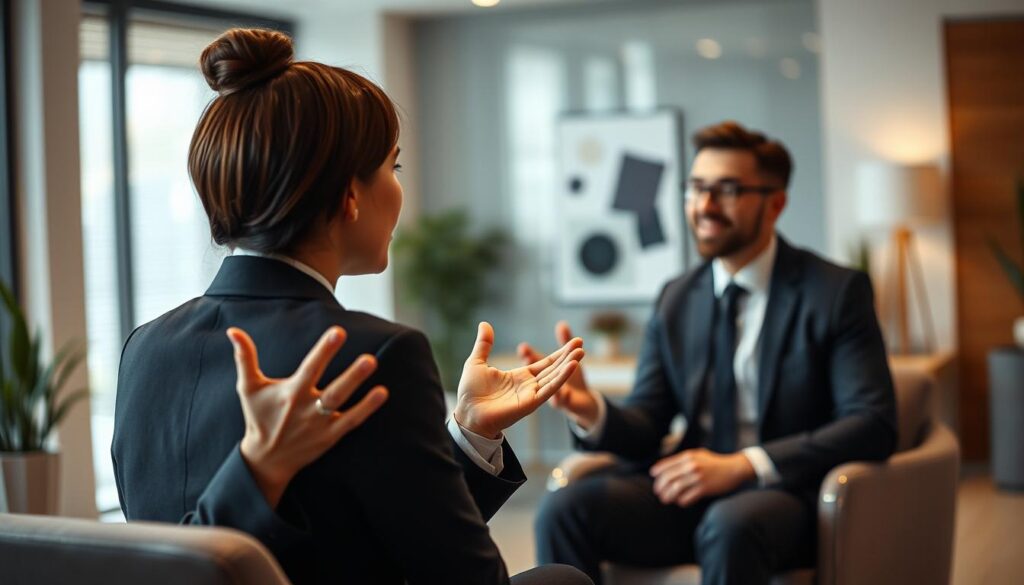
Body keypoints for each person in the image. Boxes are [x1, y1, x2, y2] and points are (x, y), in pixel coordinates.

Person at [112, 28, 591, 585]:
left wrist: (470, 432)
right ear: (350, 195)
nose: (399, 189)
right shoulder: (375, 353)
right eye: (394, 167)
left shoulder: (141, 347)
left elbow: (380, 537)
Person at [521, 121, 898, 585]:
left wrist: (745, 464)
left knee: (731, 525)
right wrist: (591, 411)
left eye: (727, 190)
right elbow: (649, 420)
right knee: (564, 508)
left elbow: (872, 422)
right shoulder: (677, 298)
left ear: (775, 203)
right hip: (689, 489)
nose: (704, 206)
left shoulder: (835, 293)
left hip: (784, 493)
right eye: (696, 189)